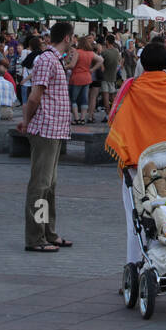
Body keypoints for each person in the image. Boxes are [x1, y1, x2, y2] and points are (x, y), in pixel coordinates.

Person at [105, 40, 166, 269]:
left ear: (142, 63)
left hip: (139, 166)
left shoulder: (133, 89)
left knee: (137, 221)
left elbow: (116, 121)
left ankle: (135, 266)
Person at [17, 22, 75, 252]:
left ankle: (48, 232)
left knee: (49, 186)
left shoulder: (55, 60)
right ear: (68, 38)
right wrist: (28, 121)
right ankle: (35, 237)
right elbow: (35, 95)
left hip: (55, 130)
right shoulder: (46, 60)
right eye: (73, 38)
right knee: (40, 186)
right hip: (46, 129)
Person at [68, 36, 101, 125]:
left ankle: (76, 118)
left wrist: (64, 67)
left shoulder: (77, 52)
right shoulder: (90, 53)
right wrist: (92, 69)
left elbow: (72, 65)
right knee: (84, 99)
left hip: (76, 77)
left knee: (73, 99)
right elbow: (101, 60)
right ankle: (83, 118)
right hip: (87, 77)